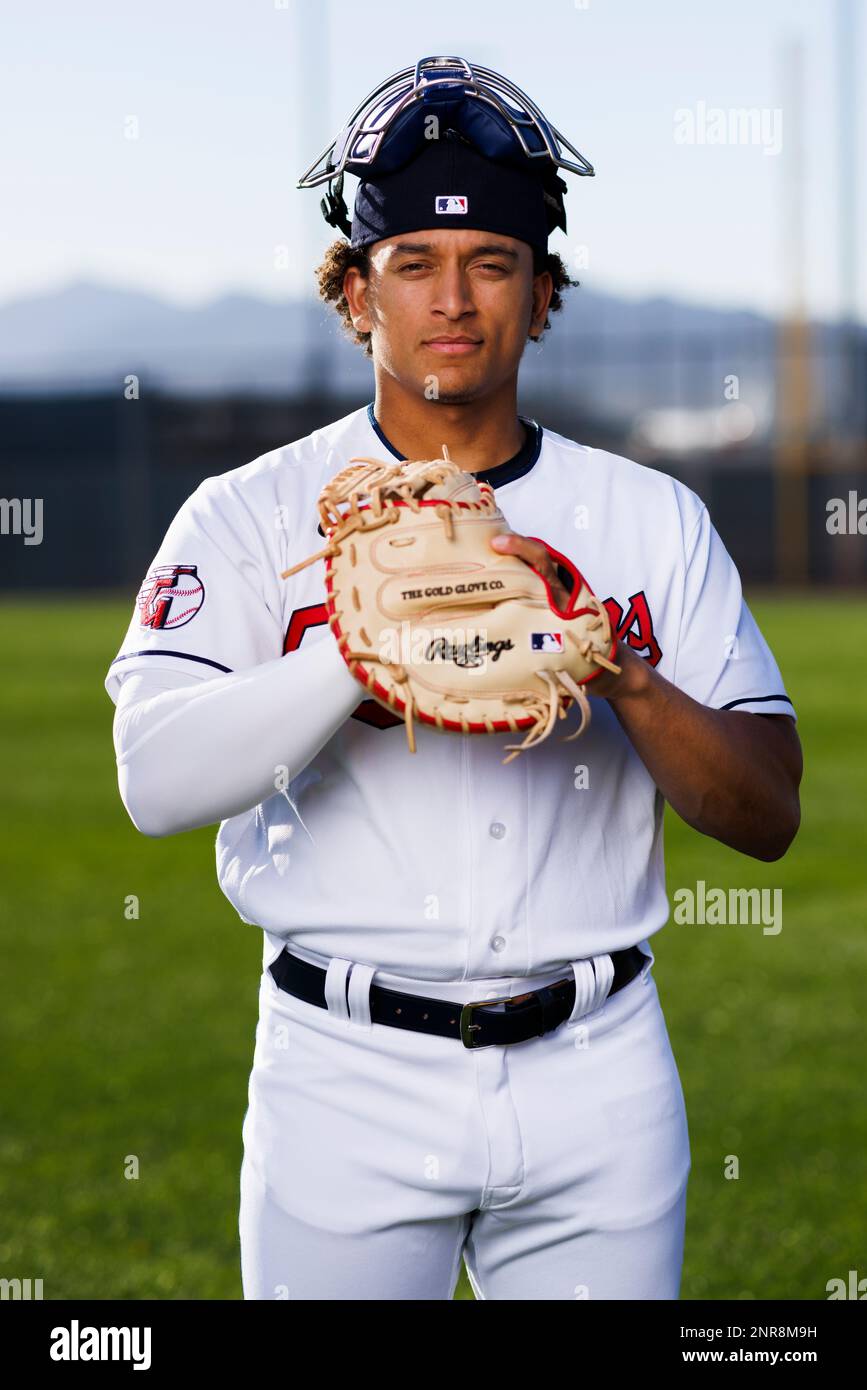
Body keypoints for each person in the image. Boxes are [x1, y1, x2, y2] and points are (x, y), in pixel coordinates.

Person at [106, 58, 802, 1300]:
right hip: (343, 1072)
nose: (454, 299)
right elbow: (156, 781)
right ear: (353, 293)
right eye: (414, 263)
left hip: (600, 1071)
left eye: (493, 261)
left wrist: (621, 674)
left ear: (543, 295)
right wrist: (361, 650)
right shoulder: (249, 513)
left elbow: (765, 813)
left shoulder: (650, 516)